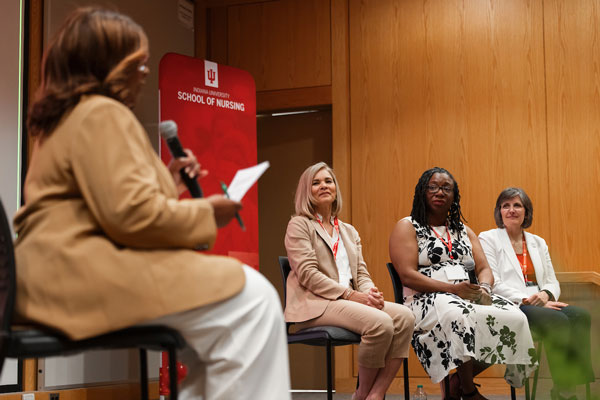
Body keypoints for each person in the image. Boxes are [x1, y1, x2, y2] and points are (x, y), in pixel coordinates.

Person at [14, 8, 290, 400]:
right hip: (82, 276)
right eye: (136, 61)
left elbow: (105, 204)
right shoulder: (103, 113)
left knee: (216, 326)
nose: (144, 71)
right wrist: (209, 211)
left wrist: (170, 181)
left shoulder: (64, 119)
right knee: (255, 300)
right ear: (104, 63)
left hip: (51, 277)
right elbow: (131, 216)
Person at [389, 167, 537, 400]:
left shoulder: (463, 230)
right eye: (433, 187)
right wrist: (451, 289)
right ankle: (468, 392)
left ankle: (455, 382)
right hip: (425, 298)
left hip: (466, 293)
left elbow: (484, 269)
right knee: (458, 315)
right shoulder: (407, 226)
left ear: (454, 195)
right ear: (422, 192)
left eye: (446, 188)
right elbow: (407, 275)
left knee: (515, 316)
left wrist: (485, 289)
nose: (440, 192)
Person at [284, 162, 415, 400]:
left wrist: (370, 293)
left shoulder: (348, 231)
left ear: (335, 188)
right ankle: (361, 395)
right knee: (380, 323)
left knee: (405, 317)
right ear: (306, 191)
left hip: (349, 300)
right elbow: (308, 274)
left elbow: (361, 274)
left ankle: (376, 393)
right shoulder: (299, 225)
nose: (323, 186)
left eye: (328, 181)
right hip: (315, 304)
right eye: (316, 182)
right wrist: (351, 295)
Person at [479, 187, 594, 400]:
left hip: (540, 301)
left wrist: (546, 295)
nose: (511, 210)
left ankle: (567, 386)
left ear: (526, 211)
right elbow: (494, 282)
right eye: (506, 205)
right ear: (499, 211)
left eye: (517, 205)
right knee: (557, 320)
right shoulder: (488, 239)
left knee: (581, 316)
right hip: (510, 303)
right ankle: (565, 392)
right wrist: (528, 300)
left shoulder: (538, 242)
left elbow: (551, 280)